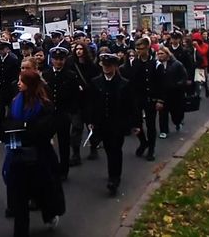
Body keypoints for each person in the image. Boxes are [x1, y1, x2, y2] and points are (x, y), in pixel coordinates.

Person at [2, 70, 64, 236]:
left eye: (22, 81)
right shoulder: (16, 101)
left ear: (30, 83)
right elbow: (9, 122)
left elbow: (46, 130)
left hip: (39, 157)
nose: (18, 83)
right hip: (17, 156)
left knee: (42, 191)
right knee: (20, 197)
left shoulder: (44, 105)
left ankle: (49, 214)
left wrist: (24, 128)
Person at [87, 54, 139, 196]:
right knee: (109, 150)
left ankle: (114, 179)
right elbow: (91, 104)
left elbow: (131, 105)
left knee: (115, 150)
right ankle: (112, 174)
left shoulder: (124, 83)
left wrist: (135, 123)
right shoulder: (96, 82)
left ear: (115, 66)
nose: (106, 68)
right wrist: (91, 121)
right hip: (101, 123)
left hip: (117, 123)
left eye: (109, 65)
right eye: (104, 65)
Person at [42, 46, 82, 180]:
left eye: (61, 59)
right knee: (45, 142)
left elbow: (75, 96)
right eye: (56, 59)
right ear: (51, 60)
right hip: (49, 114)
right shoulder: (46, 74)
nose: (58, 62)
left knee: (64, 143)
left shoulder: (70, 75)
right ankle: (50, 167)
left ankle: (64, 170)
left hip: (63, 113)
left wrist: (70, 112)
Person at [122, 38, 160, 161]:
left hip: (150, 98)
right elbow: (129, 80)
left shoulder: (155, 63)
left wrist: (160, 100)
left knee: (150, 125)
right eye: (137, 48)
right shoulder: (134, 63)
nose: (138, 51)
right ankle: (143, 142)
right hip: (137, 98)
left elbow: (160, 83)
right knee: (135, 124)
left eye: (141, 48)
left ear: (147, 48)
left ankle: (151, 149)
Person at [68, 43, 100, 162]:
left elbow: (96, 82)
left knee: (91, 126)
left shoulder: (91, 66)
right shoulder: (71, 65)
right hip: (76, 101)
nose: (79, 51)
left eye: (81, 49)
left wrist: (86, 88)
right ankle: (75, 153)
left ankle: (93, 149)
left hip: (89, 100)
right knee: (76, 127)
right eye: (77, 49)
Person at [155, 46, 188, 139]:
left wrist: (178, 84)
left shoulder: (177, 64)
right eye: (158, 54)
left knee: (176, 113)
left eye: (162, 53)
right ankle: (164, 131)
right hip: (162, 94)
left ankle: (177, 122)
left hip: (175, 94)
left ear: (167, 54)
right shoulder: (156, 65)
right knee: (162, 113)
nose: (160, 55)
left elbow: (184, 77)